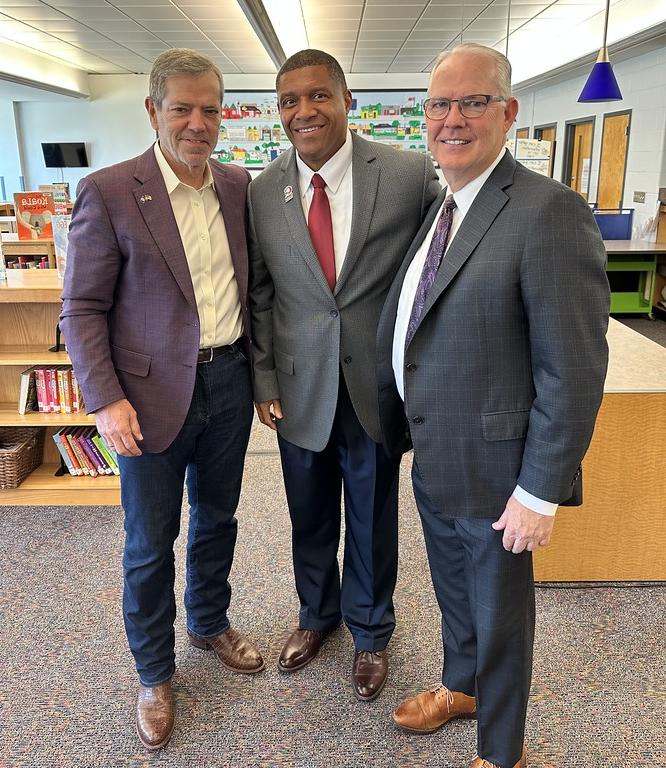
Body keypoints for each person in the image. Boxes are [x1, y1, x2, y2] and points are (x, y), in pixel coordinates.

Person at [377, 43, 609, 767]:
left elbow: (572, 367)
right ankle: (461, 684)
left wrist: (540, 489)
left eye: (471, 102)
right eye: (439, 105)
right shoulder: (443, 202)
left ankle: (501, 751)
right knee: (453, 589)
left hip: (501, 470)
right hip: (437, 452)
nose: (452, 119)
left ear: (507, 113)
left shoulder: (549, 212)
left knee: (501, 613)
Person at [60, 48, 263, 751]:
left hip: (229, 383)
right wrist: (105, 400)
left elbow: (252, 289)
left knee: (219, 518)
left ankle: (208, 624)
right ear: (153, 111)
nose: (198, 123)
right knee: (150, 544)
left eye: (211, 109)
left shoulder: (237, 186)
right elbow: (81, 309)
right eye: (183, 107)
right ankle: (154, 672)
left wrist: (260, 381)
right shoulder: (111, 191)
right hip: (143, 401)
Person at [248, 49, 440, 700]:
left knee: (372, 513)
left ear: (347, 98)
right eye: (288, 100)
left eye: (318, 95)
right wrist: (265, 381)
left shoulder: (409, 174)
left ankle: (371, 630)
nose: (304, 111)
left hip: (375, 388)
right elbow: (263, 294)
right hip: (298, 387)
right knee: (308, 515)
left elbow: (444, 262)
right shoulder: (261, 189)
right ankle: (317, 615)